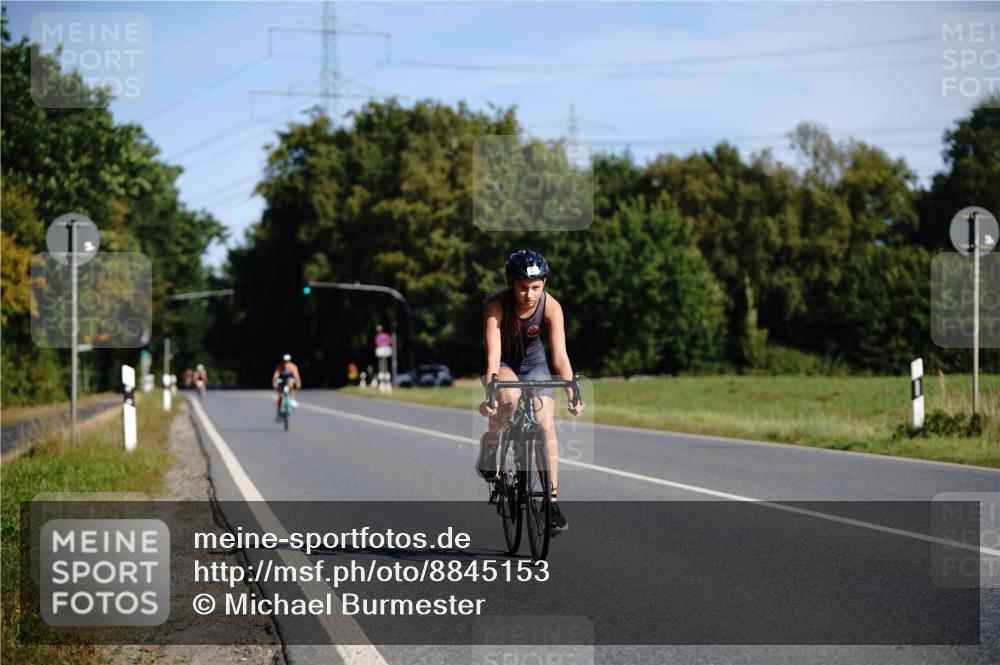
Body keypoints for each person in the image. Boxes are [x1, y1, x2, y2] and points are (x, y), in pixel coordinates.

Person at [477, 250, 585, 532]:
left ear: (545, 283)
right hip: (504, 363)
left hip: (535, 365)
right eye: (523, 287)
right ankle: (491, 442)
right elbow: (493, 354)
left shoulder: (551, 306)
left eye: (536, 287)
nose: (529, 294)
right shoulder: (496, 305)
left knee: (546, 425)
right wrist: (491, 393)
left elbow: (560, 356)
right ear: (511, 283)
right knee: (509, 399)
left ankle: (550, 503)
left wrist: (572, 393)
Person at [272, 354, 302, 420]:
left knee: (290, 382)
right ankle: (279, 410)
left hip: (290, 380)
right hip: (281, 381)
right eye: (284, 361)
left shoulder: (293, 366)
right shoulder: (279, 367)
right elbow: (275, 376)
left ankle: (292, 399)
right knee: (280, 396)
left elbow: (297, 376)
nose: (286, 363)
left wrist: (298, 383)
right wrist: (274, 383)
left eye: (287, 361)